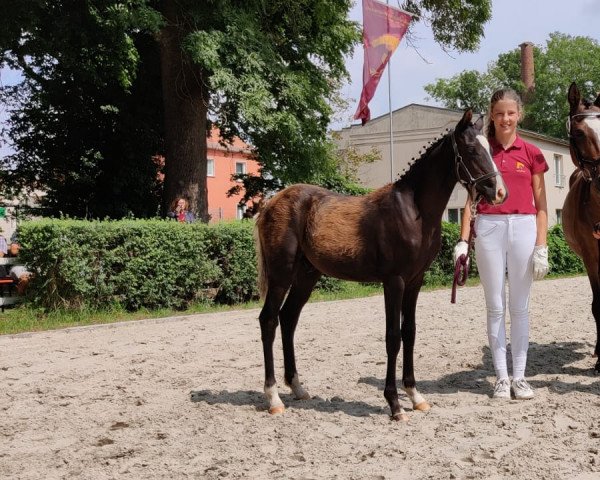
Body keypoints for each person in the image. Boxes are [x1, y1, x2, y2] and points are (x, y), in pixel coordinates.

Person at [453, 88, 549, 400]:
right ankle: (501, 378)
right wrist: (463, 241)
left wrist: (541, 245)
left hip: (523, 225)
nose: (505, 119)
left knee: (520, 307)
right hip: (490, 227)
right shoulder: (483, 150)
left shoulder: (532, 153)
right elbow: (470, 201)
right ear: (491, 116)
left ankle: (520, 377)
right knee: (495, 306)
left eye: (510, 113)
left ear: (519, 115)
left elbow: (542, 203)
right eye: (498, 114)